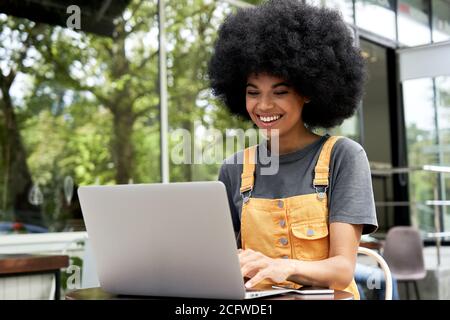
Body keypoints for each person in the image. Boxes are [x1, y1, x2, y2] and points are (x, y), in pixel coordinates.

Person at [208, 0, 378, 300]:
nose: (263, 106)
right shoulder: (234, 168)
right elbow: (220, 262)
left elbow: (342, 271)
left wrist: (281, 266)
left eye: (280, 92)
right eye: (252, 92)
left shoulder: (344, 157)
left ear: (309, 91)